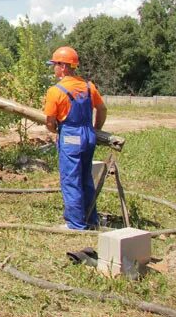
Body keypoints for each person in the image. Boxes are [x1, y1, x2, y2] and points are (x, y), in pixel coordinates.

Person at [44, 46, 107, 230]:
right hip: (88, 135)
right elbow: (102, 109)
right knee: (86, 177)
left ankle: (75, 224)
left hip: (71, 136)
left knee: (71, 180)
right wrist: (95, 129)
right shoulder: (88, 86)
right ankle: (90, 219)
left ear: (63, 66)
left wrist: (57, 131)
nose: (53, 68)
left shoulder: (55, 91)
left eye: (55, 64)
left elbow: (49, 121)